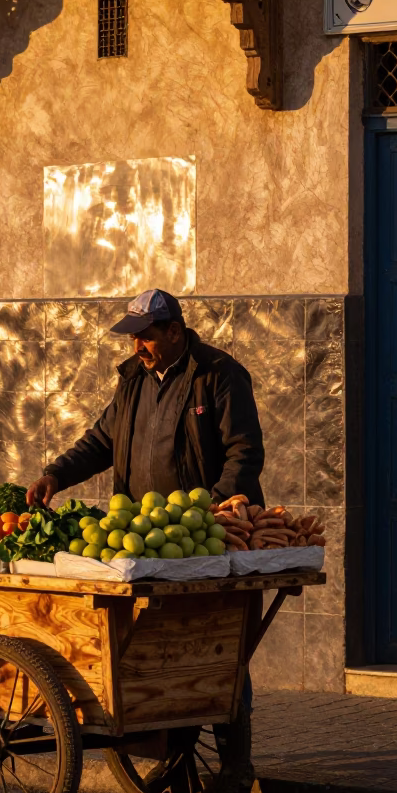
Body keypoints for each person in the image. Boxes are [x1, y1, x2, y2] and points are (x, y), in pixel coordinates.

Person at [27, 288, 264, 724]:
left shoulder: (218, 374)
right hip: (146, 546)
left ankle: (233, 757)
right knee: (161, 656)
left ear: (175, 331)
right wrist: (55, 474)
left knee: (217, 652)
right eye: (132, 339)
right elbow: (102, 439)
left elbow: (243, 452)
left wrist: (213, 508)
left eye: (146, 336)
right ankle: (174, 759)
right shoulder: (134, 377)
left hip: (206, 540)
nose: (137, 347)